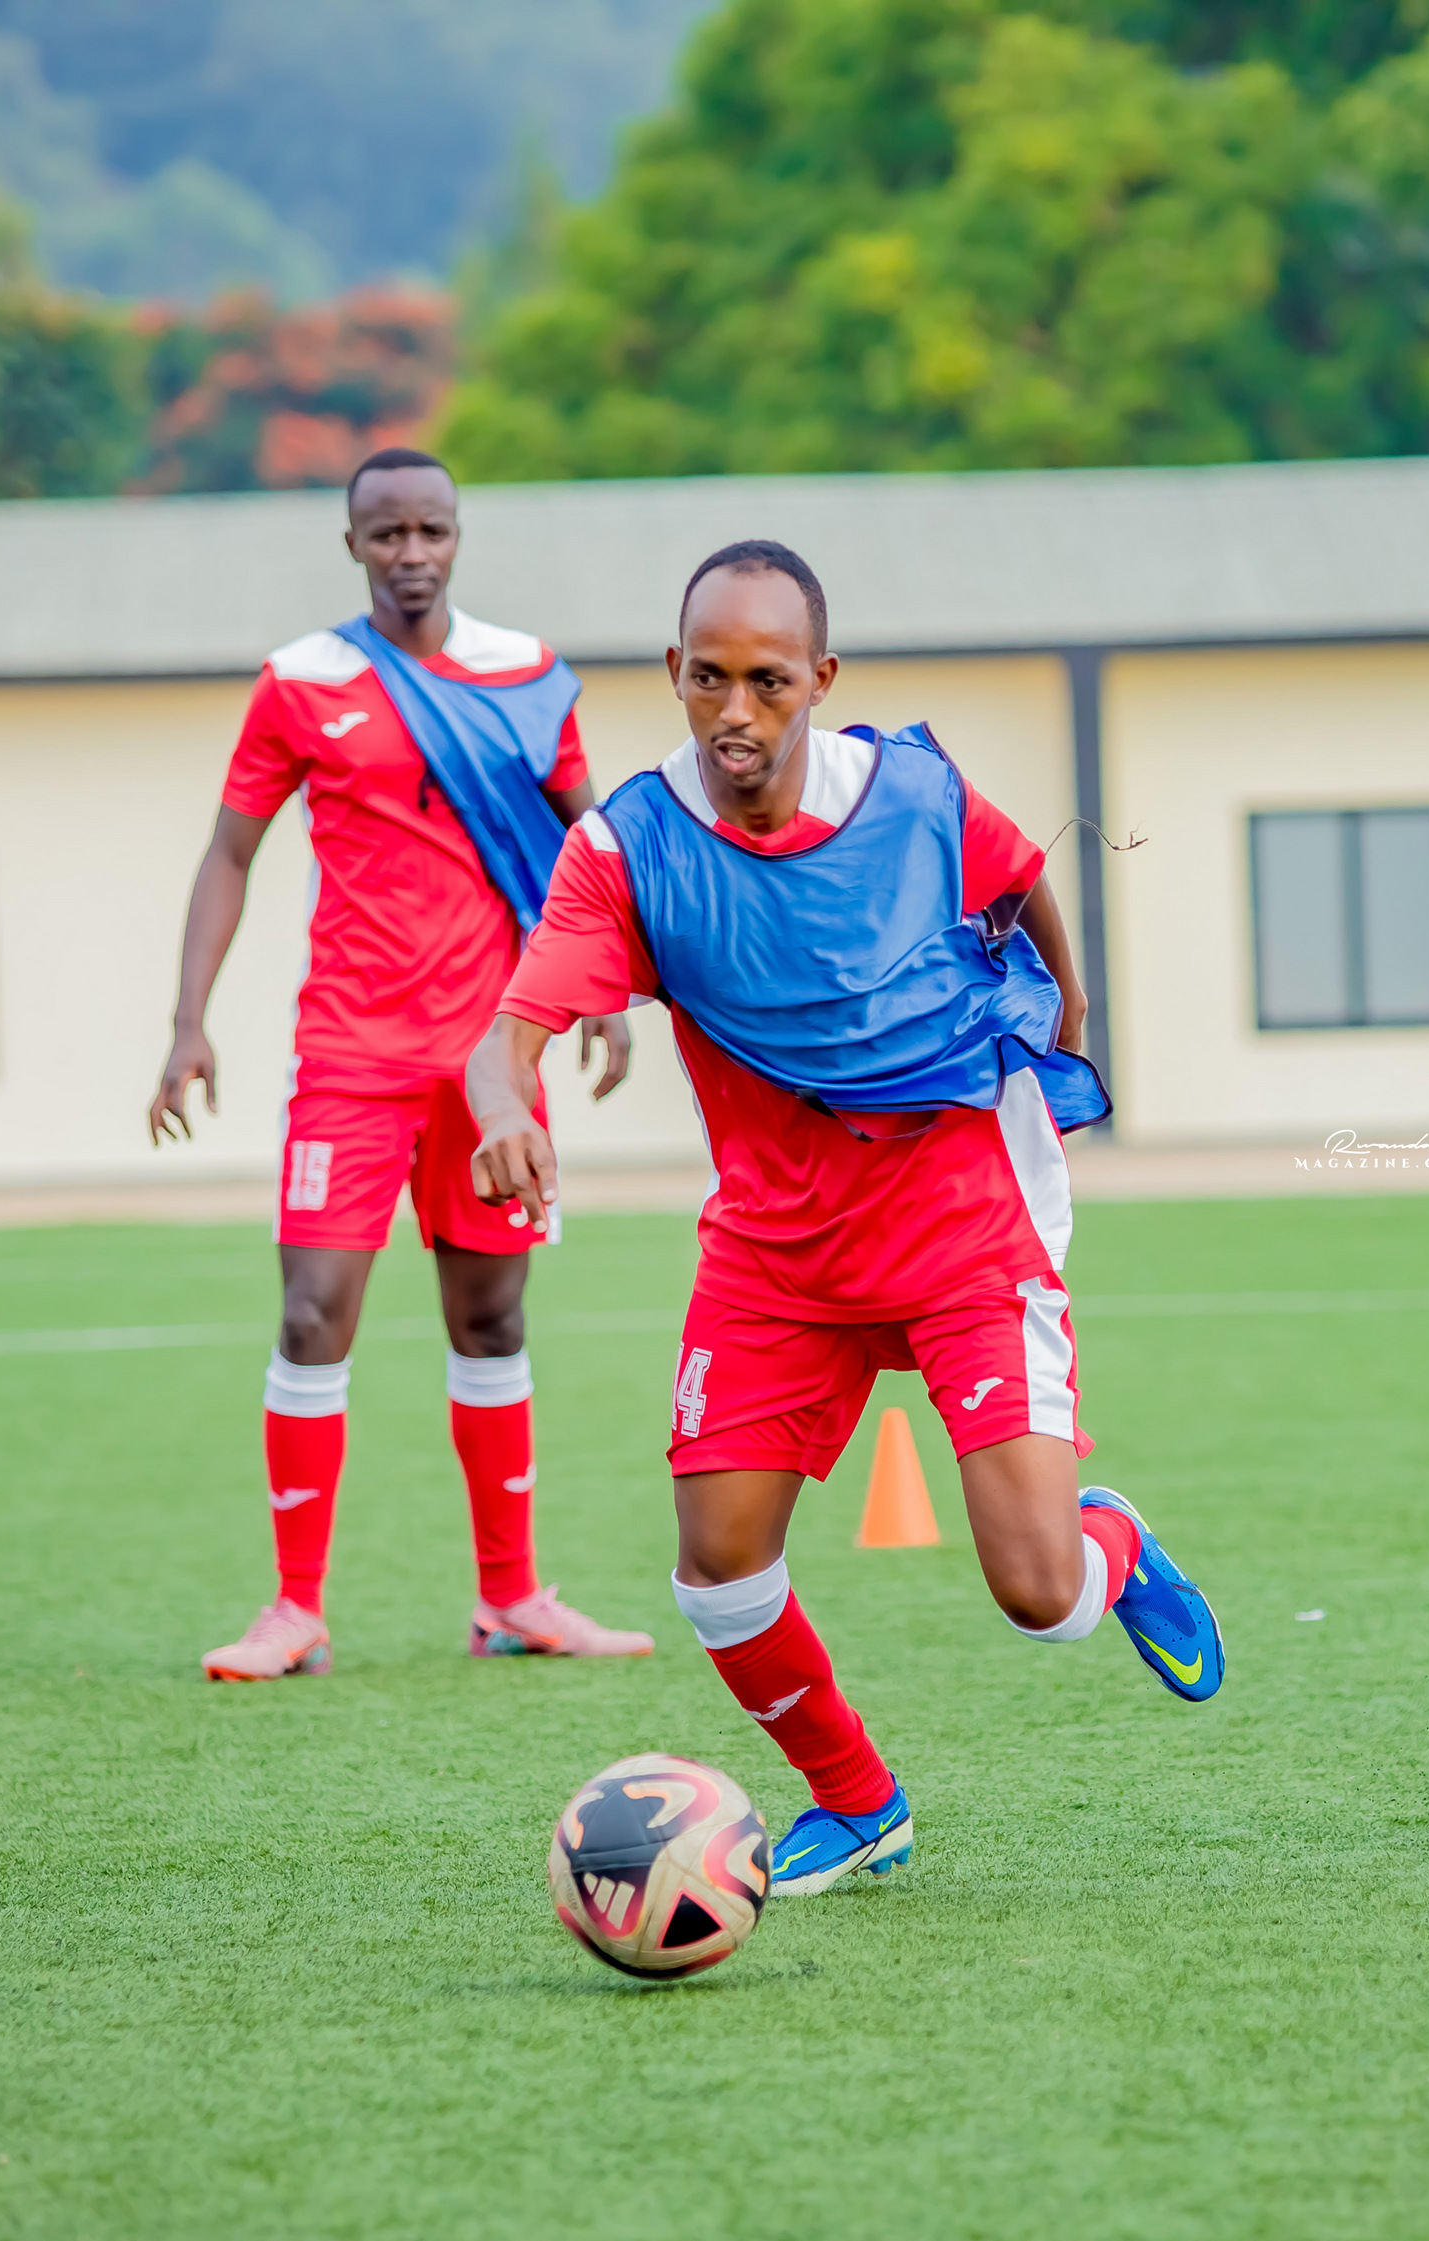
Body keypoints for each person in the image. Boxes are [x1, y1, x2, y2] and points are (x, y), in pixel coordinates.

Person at [464, 538, 1223, 1896]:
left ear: (821, 679)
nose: (735, 711)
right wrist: (502, 1108)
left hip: (957, 1219)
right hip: (776, 1249)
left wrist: (1072, 1003)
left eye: (767, 681)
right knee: (716, 1570)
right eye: (708, 678)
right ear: (674, 672)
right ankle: (859, 1800)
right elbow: (507, 1034)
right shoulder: (628, 848)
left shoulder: (914, 796)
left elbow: (1018, 878)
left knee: (1042, 1601)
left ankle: (1109, 1544)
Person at [148, 447, 652, 1681]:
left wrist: (604, 991)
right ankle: (295, 1610)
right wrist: (188, 1021)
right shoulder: (301, 683)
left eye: (431, 529)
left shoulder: (527, 676)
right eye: (387, 533)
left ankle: (513, 1600)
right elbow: (228, 853)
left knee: (492, 1318)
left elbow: (590, 848)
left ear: (458, 536)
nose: (411, 552)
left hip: (494, 1061)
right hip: (350, 1054)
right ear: (354, 545)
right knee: (312, 1313)